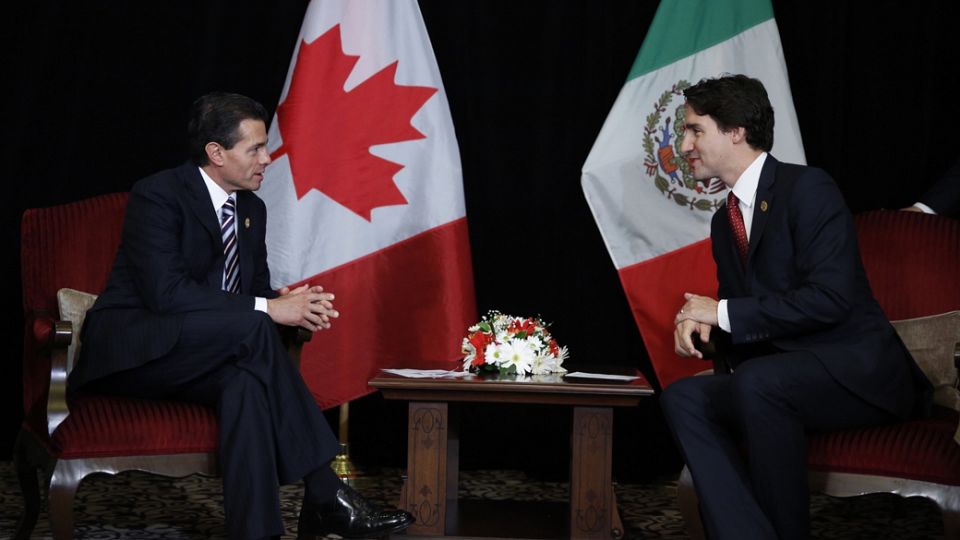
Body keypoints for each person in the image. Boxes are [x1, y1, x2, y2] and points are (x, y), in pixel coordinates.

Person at [69, 92, 414, 540]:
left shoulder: (252, 209)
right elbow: (166, 294)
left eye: (265, 146)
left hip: (208, 353)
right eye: (255, 148)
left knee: (245, 384)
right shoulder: (158, 195)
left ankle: (259, 533)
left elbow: (249, 293)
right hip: (138, 352)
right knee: (255, 324)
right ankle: (326, 491)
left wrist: (290, 302)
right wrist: (269, 309)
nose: (268, 158)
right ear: (216, 153)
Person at [661, 75, 931, 540]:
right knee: (684, 396)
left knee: (760, 382)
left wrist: (720, 312)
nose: (684, 144)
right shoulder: (724, 222)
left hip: (855, 375)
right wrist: (704, 332)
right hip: (776, 375)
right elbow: (750, 315)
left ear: (736, 131)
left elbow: (830, 299)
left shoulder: (807, 188)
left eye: (694, 129)